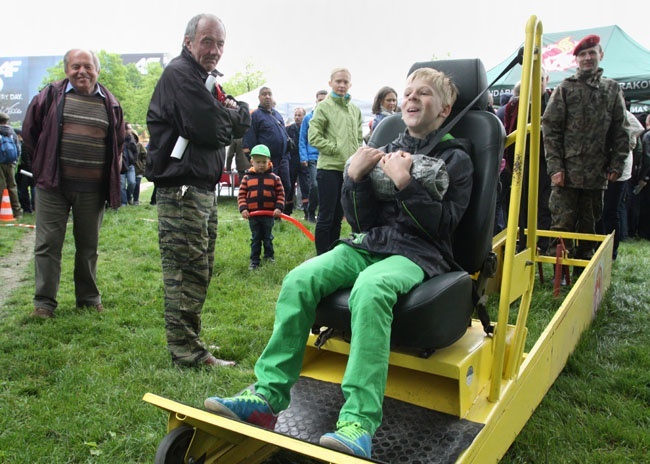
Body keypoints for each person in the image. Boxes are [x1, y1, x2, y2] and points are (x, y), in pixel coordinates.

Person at [204, 67, 473, 459]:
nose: (412, 98)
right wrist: (356, 180)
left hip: (418, 253)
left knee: (371, 289)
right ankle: (267, 396)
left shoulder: (456, 157)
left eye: (425, 93)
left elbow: (445, 225)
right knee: (300, 279)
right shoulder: (385, 143)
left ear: (446, 108)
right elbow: (361, 221)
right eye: (408, 91)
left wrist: (407, 185)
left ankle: (358, 423)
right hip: (369, 242)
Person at [145, 13, 251, 368]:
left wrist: (231, 115)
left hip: (200, 189)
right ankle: (187, 353)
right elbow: (209, 128)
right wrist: (229, 116)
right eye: (208, 41)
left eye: (220, 43)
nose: (215, 50)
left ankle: (190, 343)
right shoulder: (180, 74)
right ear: (189, 41)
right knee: (185, 272)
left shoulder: (202, 79)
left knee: (199, 269)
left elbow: (237, 119)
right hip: (182, 190)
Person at [22, 49, 125, 319]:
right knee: (47, 245)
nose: (82, 71)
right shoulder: (50, 96)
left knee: (88, 246)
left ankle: (88, 299)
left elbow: (119, 143)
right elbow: (30, 133)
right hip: (52, 187)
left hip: (92, 190)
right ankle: (44, 304)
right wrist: (44, 165)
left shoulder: (111, 104)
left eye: (87, 66)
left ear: (97, 70)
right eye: (75, 66)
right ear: (67, 70)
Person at [542, 34, 629, 260]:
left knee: (589, 225)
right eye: (583, 54)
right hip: (566, 173)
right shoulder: (565, 89)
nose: (588, 58)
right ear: (576, 60)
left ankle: (583, 270)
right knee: (562, 224)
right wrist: (555, 167)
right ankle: (560, 272)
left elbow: (621, 130)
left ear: (601, 55)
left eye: (592, 53)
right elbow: (550, 129)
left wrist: (616, 164)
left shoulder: (612, 89)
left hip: (596, 173)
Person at [308, 68, 363, 254]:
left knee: (339, 216)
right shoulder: (323, 107)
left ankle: (332, 254)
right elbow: (313, 137)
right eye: (338, 81)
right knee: (326, 216)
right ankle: (321, 256)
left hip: (349, 171)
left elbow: (359, 137)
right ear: (330, 83)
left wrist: (357, 158)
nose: (342, 85)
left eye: (345, 82)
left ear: (350, 85)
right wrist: (335, 149)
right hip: (329, 169)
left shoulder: (355, 110)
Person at [504, 73, 552, 252]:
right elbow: (508, 128)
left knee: (545, 205)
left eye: (540, 78)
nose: (535, 82)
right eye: (532, 78)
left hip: (547, 163)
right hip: (520, 162)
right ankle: (522, 244)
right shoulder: (515, 104)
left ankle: (543, 244)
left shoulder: (554, 102)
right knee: (520, 205)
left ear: (546, 80)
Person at [596, 107, 644, 258]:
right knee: (600, 211)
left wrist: (627, 143)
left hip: (619, 172)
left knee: (611, 211)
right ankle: (600, 247)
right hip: (603, 169)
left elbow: (638, 129)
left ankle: (612, 251)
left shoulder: (624, 114)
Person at [237, 144, 285, 270]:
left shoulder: (275, 178)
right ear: (251, 161)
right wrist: (244, 209)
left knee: (268, 237)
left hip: (268, 215)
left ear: (269, 161)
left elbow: (280, 194)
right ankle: (254, 261)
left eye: (264, 162)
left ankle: (269, 257)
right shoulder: (247, 178)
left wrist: (278, 208)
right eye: (258, 162)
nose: (261, 165)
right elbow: (241, 195)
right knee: (256, 238)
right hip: (253, 216)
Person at [243, 87, 291, 211]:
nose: (267, 97)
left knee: (285, 185)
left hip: (283, 158)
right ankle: (268, 213)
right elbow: (249, 138)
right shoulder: (255, 115)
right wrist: (253, 159)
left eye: (269, 94)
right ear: (259, 98)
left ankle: (281, 211)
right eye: (264, 94)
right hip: (266, 160)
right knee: (268, 187)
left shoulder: (277, 114)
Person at [299, 90, 328, 223]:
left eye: (324, 99)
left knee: (326, 186)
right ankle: (310, 211)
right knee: (315, 185)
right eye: (319, 100)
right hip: (312, 157)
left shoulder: (330, 117)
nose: (322, 102)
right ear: (316, 101)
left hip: (327, 157)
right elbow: (302, 139)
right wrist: (303, 157)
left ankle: (322, 214)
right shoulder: (308, 118)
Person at [0, 112, 22, 218]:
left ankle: (2, 211)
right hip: (11, 163)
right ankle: (17, 211)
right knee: (12, 186)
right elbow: (18, 148)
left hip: (0, 163)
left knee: (1, 186)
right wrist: (15, 161)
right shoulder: (11, 132)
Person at [285, 107, 305, 216]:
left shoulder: (306, 128)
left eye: (299, 115)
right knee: (290, 184)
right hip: (291, 160)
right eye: (296, 115)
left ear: (303, 116)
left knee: (304, 185)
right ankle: (288, 208)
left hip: (303, 160)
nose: (297, 117)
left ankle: (303, 207)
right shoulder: (289, 129)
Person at [14, 128, 35, 213]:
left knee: (24, 190)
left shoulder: (24, 145)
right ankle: (33, 207)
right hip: (30, 170)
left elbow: (27, 160)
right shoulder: (32, 143)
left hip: (27, 171)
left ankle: (27, 208)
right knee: (33, 188)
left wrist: (30, 171)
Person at [120, 122, 138, 206]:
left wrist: (134, 160)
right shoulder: (119, 139)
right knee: (122, 185)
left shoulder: (132, 139)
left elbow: (136, 151)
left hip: (130, 165)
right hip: (121, 166)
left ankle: (128, 197)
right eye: (129, 128)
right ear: (125, 129)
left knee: (132, 183)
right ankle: (123, 203)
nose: (130, 130)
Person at [131, 126, 148, 205]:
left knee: (137, 184)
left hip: (139, 169)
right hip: (130, 169)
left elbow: (145, 156)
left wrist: (143, 165)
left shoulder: (140, 145)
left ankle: (136, 200)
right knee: (131, 184)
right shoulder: (127, 145)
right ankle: (128, 198)